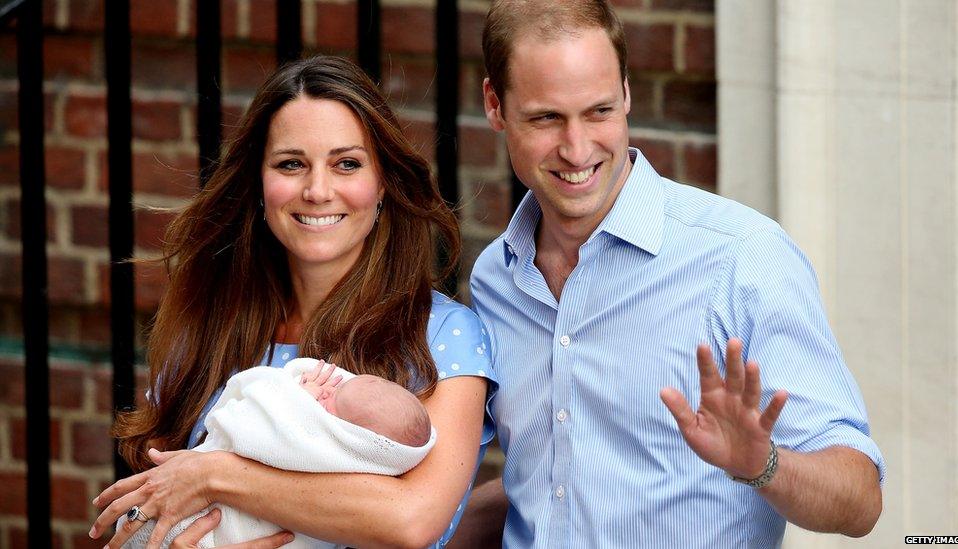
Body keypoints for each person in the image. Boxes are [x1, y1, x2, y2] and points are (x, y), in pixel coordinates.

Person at [457, 1, 885, 547]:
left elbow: (861, 500)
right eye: (546, 118)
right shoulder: (499, 276)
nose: (577, 147)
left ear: (627, 93)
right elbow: (542, 485)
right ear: (495, 105)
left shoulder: (743, 257)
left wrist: (765, 465)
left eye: (599, 111)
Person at [89, 55, 497, 549]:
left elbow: (410, 520)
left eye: (347, 163)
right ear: (259, 185)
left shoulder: (443, 335)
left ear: (383, 182)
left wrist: (215, 475)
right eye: (291, 164)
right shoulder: (208, 329)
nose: (317, 190)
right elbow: (149, 505)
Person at [122, 359, 437, 549]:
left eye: (334, 401)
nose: (327, 389)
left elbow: (257, 435)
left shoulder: (329, 451)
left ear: (353, 437)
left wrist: (293, 400)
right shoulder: (201, 328)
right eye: (339, 386)